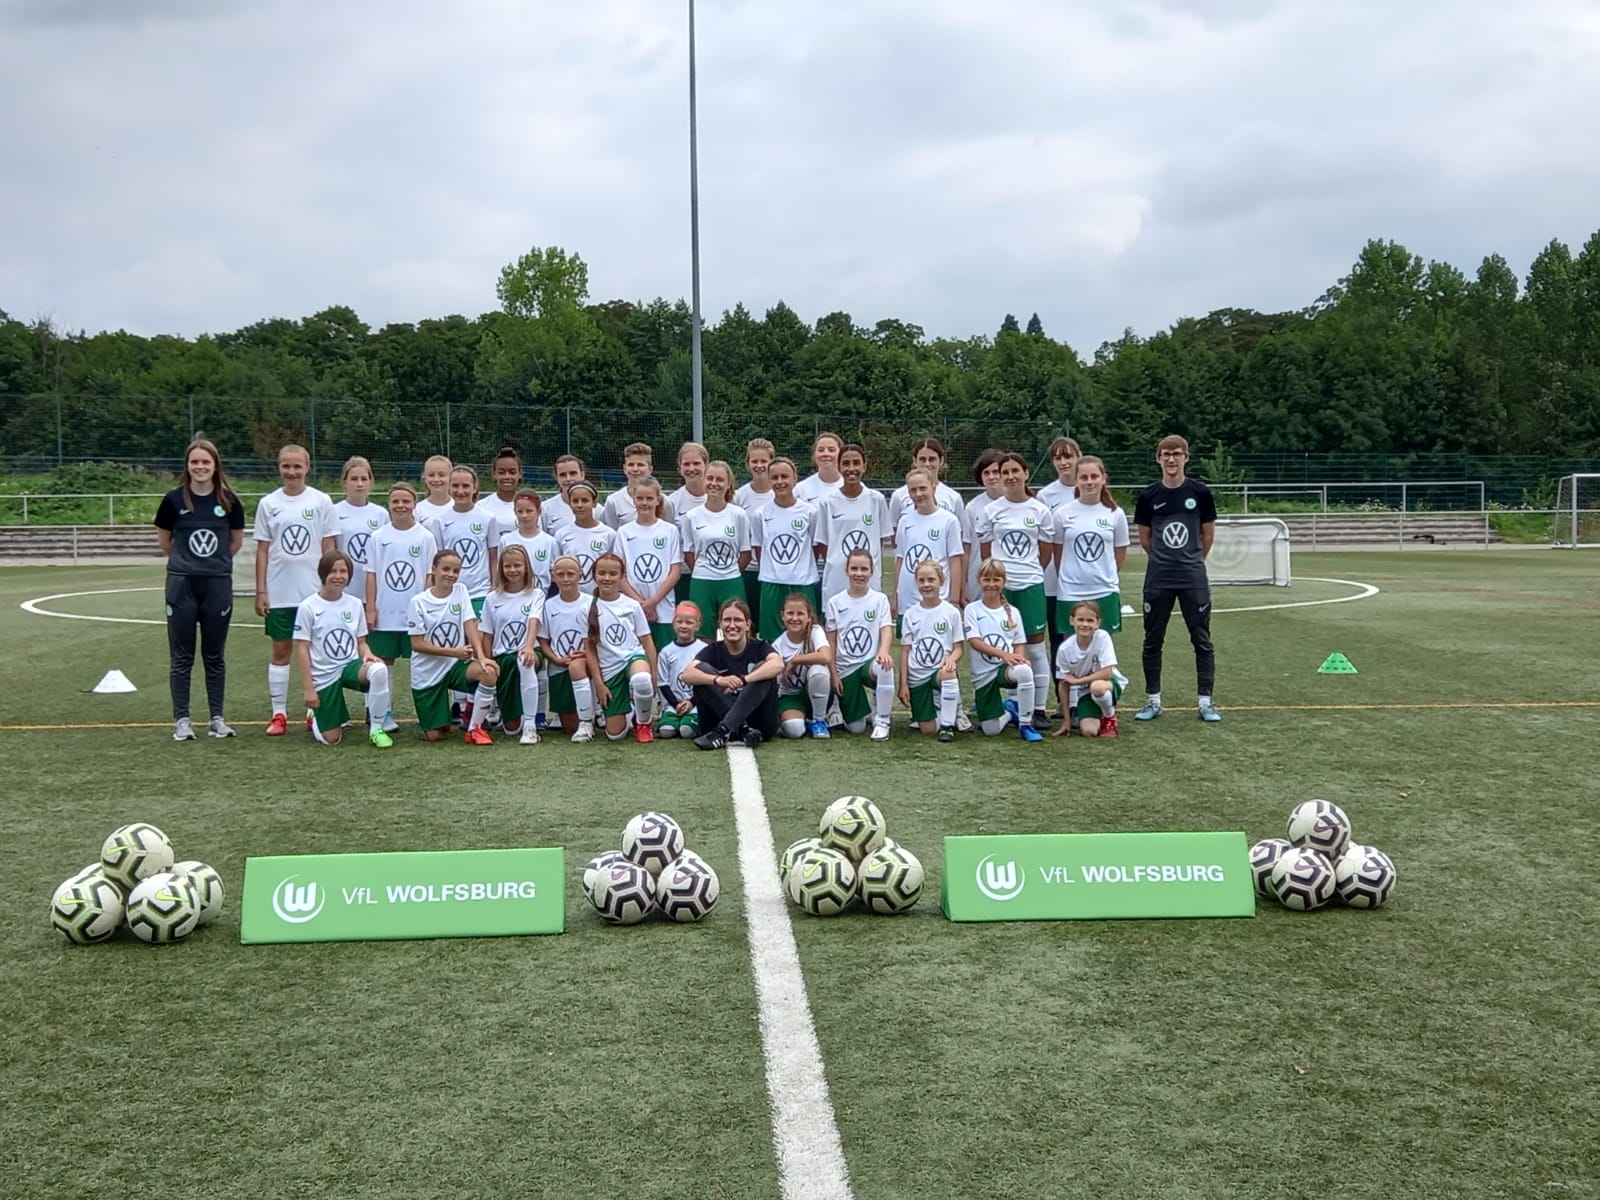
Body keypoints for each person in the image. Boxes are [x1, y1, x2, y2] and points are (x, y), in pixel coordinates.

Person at [154, 436, 245, 740]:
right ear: (187, 465)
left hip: (217, 584)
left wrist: (212, 564)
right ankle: (182, 720)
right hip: (182, 584)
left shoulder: (229, 501)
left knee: (214, 655)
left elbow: (235, 542)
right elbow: (166, 542)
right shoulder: (173, 500)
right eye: (195, 461)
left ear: (215, 465)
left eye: (206, 461)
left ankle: (217, 719)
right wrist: (188, 563)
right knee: (182, 656)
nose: (200, 466)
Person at [253, 443, 339, 736]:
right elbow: (263, 550)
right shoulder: (268, 503)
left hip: (313, 593)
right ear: (279, 467)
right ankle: (278, 713)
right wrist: (261, 591)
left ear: (307, 467)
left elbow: (329, 547)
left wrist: (329, 588)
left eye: (297, 466)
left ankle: (313, 711)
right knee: (281, 650)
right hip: (280, 592)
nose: (291, 472)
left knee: (314, 652)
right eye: (286, 466)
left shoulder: (321, 501)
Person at [1133, 435, 1220, 722]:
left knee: (1201, 640)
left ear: (1186, 457)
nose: (1171, 459)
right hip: (1159, 578)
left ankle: (1206, 702)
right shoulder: (1148, 496)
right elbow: (1145, 539)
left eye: (1177, 454)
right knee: (1152, 640)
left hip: (1192, 578)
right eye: (1166, 454)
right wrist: (1165, 559)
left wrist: (1191, 560)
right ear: (1158, 458)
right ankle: (1153, 700)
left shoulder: (1200, 493)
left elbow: (1207, 536)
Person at [972, 450, 1055, 728]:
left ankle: (1039, 708)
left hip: (1030, 585)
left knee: (1035, 648)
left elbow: (1045, 552)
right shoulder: (991, 511)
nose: (1009, 476)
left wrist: (1028, 570)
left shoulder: (1039, 510)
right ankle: (1013, 702)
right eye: (1004, 472)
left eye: (1014, 471)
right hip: (1002, 589)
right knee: (1004, 646)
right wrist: (998, 577)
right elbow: (986, 552)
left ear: (1025, 473)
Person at [293, 549, 393, 747]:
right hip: (324, 675)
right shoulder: (308, 607)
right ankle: (315, 715)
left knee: (379, 670)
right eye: (333, 571)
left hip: (349, 667)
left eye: (343, 571)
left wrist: (368, 654)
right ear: (323, 573)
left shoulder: (354, 604)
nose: (338, 576)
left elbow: (361, 642)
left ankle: (376, 729)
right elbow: (302, 649)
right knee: (331, 739)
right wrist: (309, 689)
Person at [407, 549, 499, 744]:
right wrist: (454, 652)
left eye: (456, 570)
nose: (451, 574)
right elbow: (417, 644)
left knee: (488, 672)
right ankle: (440, 716)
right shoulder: (418, 602)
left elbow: (469, 624)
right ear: (434, 569)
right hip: (427, 674)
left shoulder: (461, 591)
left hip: (454, 667)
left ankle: (474, 728)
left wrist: (482, 657)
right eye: (446, 569)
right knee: (434, 737)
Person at [681, 598, 784, 750]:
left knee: (764, 669)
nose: (732, 625)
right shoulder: (713, 649)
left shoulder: (760, 646)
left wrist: (745, 679)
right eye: (727, 620)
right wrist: (718, 680)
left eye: (738, 620)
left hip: (761, 725)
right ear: (720, 624)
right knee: (702, 670)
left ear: (747, 624)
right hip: (718, 720)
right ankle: (742, 729)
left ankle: (723, 731)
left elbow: (778, 664)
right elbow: (686, 674)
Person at [365, 482, 439, 691]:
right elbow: (371, 574)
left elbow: (430, 576)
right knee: (382, 663)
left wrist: (426, 609)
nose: (401, 505)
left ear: (414, 504)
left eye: (406, 501)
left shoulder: (426, 537)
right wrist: (371, 608)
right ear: (388, 504)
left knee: (420, 660)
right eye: (395, 501)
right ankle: (381, 708)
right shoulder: (378, 537)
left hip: (414, 613)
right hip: (385, 612)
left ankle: (424, 707)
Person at [962, 559, 1043, 741]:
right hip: (983, 674)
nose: (991, 584)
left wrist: (1018, 659)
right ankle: (1009, 712)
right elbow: (975, 642)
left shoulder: (1013, 612)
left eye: (996, 579)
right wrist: (1004, 655)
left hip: (1004, 670)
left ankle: (1026, 724)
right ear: (979, 580)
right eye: (987, 579)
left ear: (1004, 582)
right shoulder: (972, 610)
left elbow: (1019, 642)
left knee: (1024, 671)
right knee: (991, 730)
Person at [824, 547, 896, 741]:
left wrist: (883, 651)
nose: (859, 573)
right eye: (854, 568)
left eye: (864, 569)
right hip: (845, 669)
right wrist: (834, 674)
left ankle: (882, 721)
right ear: (846, 570)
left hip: (868, 664)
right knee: (856, 728)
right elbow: (831, 641)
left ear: (872, 571)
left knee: (885, 665)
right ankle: (861, 709)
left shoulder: (879, 600)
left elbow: (886, 629)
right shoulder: (835, 602)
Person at [1052, 455, 1129, 635]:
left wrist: (1104, 575)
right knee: (1071, 647)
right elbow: (1058, 555)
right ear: (1076, 480)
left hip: (1104, 590)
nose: (1089, 482)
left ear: (1103, 478)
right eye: (1084, 477)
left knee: (1103, 646)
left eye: (1094, 476)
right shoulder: (1062, 514)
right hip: (1070, 591)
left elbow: (1119, 554)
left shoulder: (1115, 513)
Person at [586, 553, 659, 743]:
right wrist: (599, 684)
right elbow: (589, 650)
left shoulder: (632, 605)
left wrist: (653, 673)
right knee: (615, 735)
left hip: (633, 658)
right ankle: (632, 708)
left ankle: (644, 723)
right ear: (594, 575)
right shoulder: (586, 607)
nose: (607, 578)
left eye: (613, 574)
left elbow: (647, 641)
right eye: (602, 573)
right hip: (610, 669)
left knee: (642, 679)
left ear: (621, 577)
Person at [751, 456, 824, 641]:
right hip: (771, 583)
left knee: (805, 635)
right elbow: (759, 549)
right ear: (769, 480)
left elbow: (815, 547)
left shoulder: (810, 512)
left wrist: (801, 568)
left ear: (795, 478)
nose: (780, 482)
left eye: (784, 476)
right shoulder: (760, 514)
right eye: (774, 477)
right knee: (771, 638)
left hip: (802, 582)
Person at [477, 544, 544, 745]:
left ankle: (530, 726)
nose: (512, 570)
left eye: (517, 565)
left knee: (524, 661)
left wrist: (528, 646)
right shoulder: (492, 598)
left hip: (530, 653)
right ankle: (513, 715)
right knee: (511, 729)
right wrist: (488, 661)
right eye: (508, 566)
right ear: (501, 568)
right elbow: (487, 634)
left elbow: (534, 621)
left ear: (526, 567)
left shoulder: (536, 594)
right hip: (503, 658)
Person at [679, 460, 751, 638]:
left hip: (731, 581)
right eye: (710, 478)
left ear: (728, 484)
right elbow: (689, 553)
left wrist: (728, 570)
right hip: (702, 581)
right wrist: (705, 570)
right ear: (704, 480)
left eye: (720, 479)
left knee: (736, 630)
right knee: (703, 633)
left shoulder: (738, 515)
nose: (714, 483)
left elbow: (745, 553)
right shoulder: (692, 516)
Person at [897, 560, 965, 743]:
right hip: (917, 677)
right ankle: (948, 708)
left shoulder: (951, 612)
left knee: (949, 672)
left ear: (941, 581)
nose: (926, 584)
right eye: (921, 580)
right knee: (928, 730)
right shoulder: (910, 614)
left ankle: (948, 725)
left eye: (931, 580)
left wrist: (951, 659)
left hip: (938, 672)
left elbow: (959, 648)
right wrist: (903, 684)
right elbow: (905, 652)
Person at [818, 442, 891, 605]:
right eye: (846, 463)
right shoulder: (827, 502)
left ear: (864, 466)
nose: (851, 469)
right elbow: (823, 545)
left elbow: (880, 540)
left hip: (868, 581)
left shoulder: (877, 500)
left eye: (856, 463)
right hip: (837, 581)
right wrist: (839, 561)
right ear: (838, 467)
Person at [892, 466, 966, 623]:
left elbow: (955, 561)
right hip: (908, 599)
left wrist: (954, 599)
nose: (918, 494)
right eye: (913, 490)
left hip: (938, 597)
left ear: (933, 488)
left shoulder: (949, 520)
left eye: (922, 488)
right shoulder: (905, 521)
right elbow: (900, 560)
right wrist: (895, 595)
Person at [615, 475, 682, 649]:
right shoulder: (623, 532)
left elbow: (675, 571)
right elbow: (619, 575)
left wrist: (653, 601)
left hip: (663, 608)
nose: (644, 503)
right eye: (640, 498)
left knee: (664, 654)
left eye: (649, 498)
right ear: (633, 500)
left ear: (658, 500)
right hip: (633, 606)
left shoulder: (670, 531)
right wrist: (640, 603)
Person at [537, 555, 599, 742]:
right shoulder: (548, 605)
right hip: (559, 668)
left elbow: (598, 637)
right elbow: (543, 641)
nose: (565, 579)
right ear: (553, 576)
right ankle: (578, 718)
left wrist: (587, 655)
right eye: (560, 574)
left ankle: (595, 714)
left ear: (580, 575)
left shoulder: (591, 602)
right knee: (569, 728)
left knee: (578, 667)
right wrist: (555, 659)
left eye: (570, 574)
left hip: (587, 665)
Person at [1036, 436, 1081, 660]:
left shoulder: (1091, 488)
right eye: (1058, 458)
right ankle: (1061, 682)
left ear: (1079, 457)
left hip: (1084, 579)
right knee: (1058, 637)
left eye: (1068, 456)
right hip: (1054, 581)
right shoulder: (1045, 496)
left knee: (1087, 635)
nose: (1064, 462)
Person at [1054, 599, 1126, 739]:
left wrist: (1078, 681)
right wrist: (1066, 720)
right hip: (1085, 692)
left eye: (1090, 620)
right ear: (1072, 620)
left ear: (1097, 623)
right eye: (1080, 620)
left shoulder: (1102, 637)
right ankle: (1100, 713)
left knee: (1097, 687)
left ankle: (1109, 718)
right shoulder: (1064, 649)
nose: (1085, 624)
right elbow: (1063, 684)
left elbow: (1107, 673)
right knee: (1089, 731)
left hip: (1109, 685)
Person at [772, 592, 833, 739]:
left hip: (817, 692)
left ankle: (819, 720)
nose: (795, 618)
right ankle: (804, 721)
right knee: (794, 730)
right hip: (790, 696)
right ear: (782, 616)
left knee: (818, 670)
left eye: (800, 613)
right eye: (790, 613)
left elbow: (826, 656)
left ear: (809, 617)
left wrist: (795, 660)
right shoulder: (777, 645)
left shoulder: (815, 631)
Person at [333, 455, 387, 607]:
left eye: (364, 479)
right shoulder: (334, 511)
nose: (359, 484)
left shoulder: (381, 514)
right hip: (345, 588)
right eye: (354, 479)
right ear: (344, 482)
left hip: (373, 590)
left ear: (370, 482)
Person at [734, 437, 777, 626]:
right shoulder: (739, 496)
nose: (759, 466)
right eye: (754, 461)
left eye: (764, 461)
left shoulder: (781, 492)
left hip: (776, 572)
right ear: (747, 463)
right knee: (748, 623)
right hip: (749, 570)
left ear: (772, 462)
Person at [886, 436, 966, 532]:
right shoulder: (899, 496)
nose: (927, 464)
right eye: (922, 459)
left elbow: (960, 532)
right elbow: (894, 531)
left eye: (932, 459)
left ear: (941, 461)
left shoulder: (954, 497)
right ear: (915, 461)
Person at [653, 602, 706, 741]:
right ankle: (671, 716)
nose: (683, 626)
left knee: (686, 731)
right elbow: (663, 683)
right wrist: (675, 704)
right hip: (673, 704)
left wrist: (691, 702)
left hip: (695, 704)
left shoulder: (704, 649)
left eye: (689, 622)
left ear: (697, 625)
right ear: (673, 624)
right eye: (679, 621)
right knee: (666, 732)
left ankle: (693, 719)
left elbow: (706, 683)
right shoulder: (666, 652)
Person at [555, 480, 618, 593]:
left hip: (599, 597)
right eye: (575, 501)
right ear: (570, 504)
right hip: (571, 597)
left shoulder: (609, 534)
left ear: (594, 503)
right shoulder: (561, 534)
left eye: (585, 501)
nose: (580, 505)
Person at [500, 488, 560, 596]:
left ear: (539, 511)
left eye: (529, 511)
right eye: (520, 511)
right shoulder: (506, 540)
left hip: (543, 598)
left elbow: (554, 576)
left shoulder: (550, 542)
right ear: (515, 512)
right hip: (514, 598)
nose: (524, 516)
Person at [601, 442, 655, 529]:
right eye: (631, 465)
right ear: (624, 468)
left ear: (650, 469)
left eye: (640, 465)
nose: (635, 469)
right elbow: (610, 533)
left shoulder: (663, 501)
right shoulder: (613, 501)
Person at [540, 454, 586, 539]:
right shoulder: (545, 508)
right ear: (556, 478)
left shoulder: (597, 510)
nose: (568, 478)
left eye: (573, 473)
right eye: (563, 475)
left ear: (582, 475)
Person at [479, 445, 525, 532]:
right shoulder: (482, 507)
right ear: (494, 474)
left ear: (520, 474)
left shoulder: (531, 506)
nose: (507, 476)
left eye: (512, 472)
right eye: (501, 472)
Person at [794, 431, 845, 504]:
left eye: (831, 450)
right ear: (814, 455)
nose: (825, 454)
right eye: (821, 450)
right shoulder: (800, 490)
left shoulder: (853, 487)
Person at [667, 441, 710, 517]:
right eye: (686, 464)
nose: (691, 469)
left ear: (706, 465)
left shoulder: (721, 498)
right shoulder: (671, 502)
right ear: (679, 468)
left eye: (696, 463)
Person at [415, 454, 454, 527]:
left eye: (441, 475)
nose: (436, 479)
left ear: (451, 477)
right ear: (425, 478)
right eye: (431, 475)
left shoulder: (458, 508)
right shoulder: (418, 510)